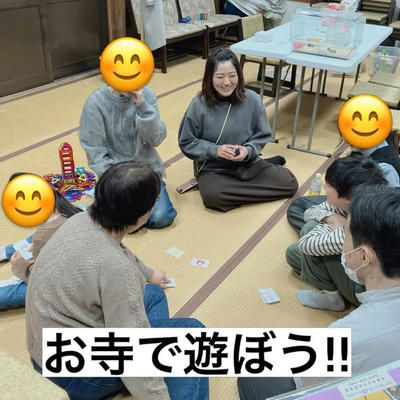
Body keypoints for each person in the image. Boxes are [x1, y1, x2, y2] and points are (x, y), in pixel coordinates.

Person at [26, 161, 208, 400]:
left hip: (44, 348)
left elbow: (118, 250)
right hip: (74, 375)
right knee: (192, 336)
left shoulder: (81, 219)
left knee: (153, 294)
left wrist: (149, 273)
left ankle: (157, 355)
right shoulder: (117, 270)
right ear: (143, 215)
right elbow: (133, 354)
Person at [238, 185, 400, 399]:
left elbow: (305, 383)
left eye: (345, 234)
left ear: (363, 256)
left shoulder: (350, 336)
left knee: (254, 373)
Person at [178, 48, 298, 212]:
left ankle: (237, 192)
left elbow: (262, 135)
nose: (227, 82)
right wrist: (215, 150)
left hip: (248, 163)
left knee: (290, 183)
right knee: (213, 197)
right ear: (210, 77)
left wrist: (248, 151)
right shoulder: (198, 104)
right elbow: (187, 142)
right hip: (213, 168)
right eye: (220, 76)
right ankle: (247, 185)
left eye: (232, 75)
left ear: (239, 75)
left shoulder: (252, 99)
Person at [286, 155, 387, 311]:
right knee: (293, 253)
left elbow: (307, 245)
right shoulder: (359, 201)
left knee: (309, 230)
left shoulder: (360, 224)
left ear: (347, 196)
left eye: (329, 185)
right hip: (357, 267)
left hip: (368, 289)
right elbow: (310, 212)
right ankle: (336, 285)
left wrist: (335, 226)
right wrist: (333, 218)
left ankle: (332, 298)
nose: (324, 187)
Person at [79, 83, 177, 228]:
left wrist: (143, 107)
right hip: (116, 178)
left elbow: (155, 139)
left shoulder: (146, 94)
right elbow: (94, 150)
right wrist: (112, 182)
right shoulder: (96, 102)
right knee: (125, 225)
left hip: (147, 174)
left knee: (161, 218)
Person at [0, 173, 82, 311]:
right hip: (78, 269)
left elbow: (43, 281)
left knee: (6, 295)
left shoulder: (42, 235)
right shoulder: (75, 211)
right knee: (31, 241)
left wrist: (22, 267)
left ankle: (7, 253)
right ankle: (6, 251)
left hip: (66, 287)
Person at [287, 134, 400, 233]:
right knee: (301, 207)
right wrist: (333, 218)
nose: (346, 139)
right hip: (350, 204)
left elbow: (390, 209)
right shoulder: (368, 148)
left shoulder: (386, 167)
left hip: (364, 215)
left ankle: (329, 234)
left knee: (304, 215)